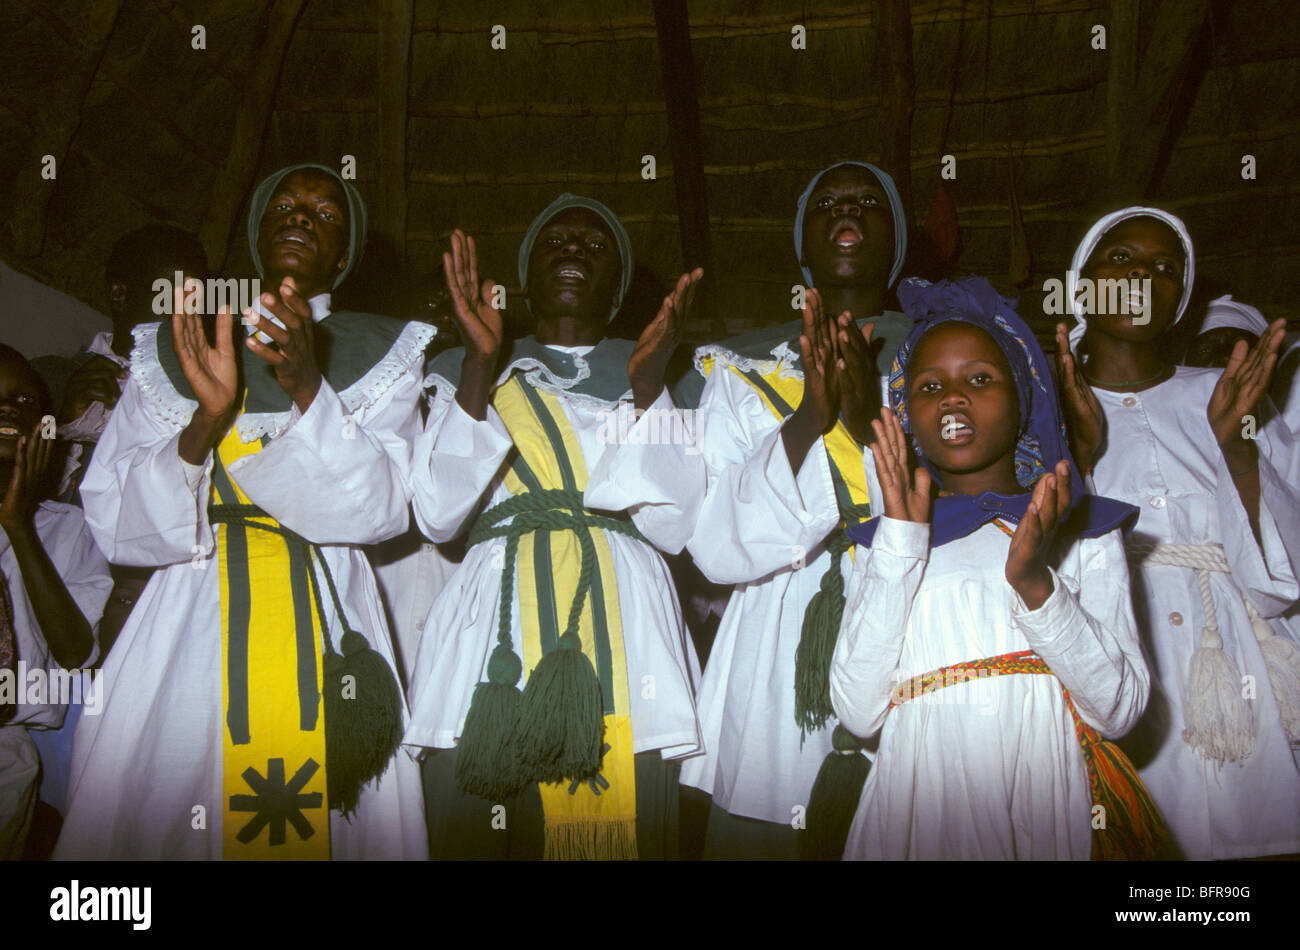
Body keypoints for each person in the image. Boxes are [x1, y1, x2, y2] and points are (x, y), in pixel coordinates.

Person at [55, 163, 432, 860]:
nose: (301, 215)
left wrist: (310, 389)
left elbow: (378, 511)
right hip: (188, 619)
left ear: (344, 256)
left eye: (325, 213)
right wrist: (207, 421)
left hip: (326, 614)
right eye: (285, 204)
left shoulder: (384, 353)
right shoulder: (174, 345)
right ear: (257, 230)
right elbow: (114, 523)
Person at [404, 194, 705, 859]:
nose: (574, 251)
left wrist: (651, 382)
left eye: (596, 248)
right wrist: (480, 362)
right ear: (523, 275)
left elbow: (678, 523)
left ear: (621, 288)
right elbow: (438, 513)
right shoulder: (461, 371)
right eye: (555, 242)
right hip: (495, 629)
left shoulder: (657, 371)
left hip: (624, 619)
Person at [831, 276, 1159, 860]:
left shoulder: (1083, 531)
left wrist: (1038, 586)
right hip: (920, 810)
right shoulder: (885, 545)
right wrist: (902, 539)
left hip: (1043, 799)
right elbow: (858, 711)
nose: (953, 397)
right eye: (929, 385)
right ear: (907, 410)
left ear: (1026, 396)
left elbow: (1118, 709)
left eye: (979, 379)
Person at [678, 161, 911, 859]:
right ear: (801, 245)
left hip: (909, 619)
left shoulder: (947, 356)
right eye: (828, 202)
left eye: (869, 201)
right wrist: (812, 416)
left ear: (898, 239)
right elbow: (717, 549)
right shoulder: (741, 368)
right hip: (774, 648)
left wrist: (866, 420)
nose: (849, 209)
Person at [1056, 206, 1300, 859]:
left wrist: (1238, 449)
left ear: (1181, 298)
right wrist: (1079, 459)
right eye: (1121, 258)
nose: (1143, 273)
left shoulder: (1225, 396)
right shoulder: (1039, 409)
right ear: (1083, 286)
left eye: (1165, 267)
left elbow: (1282, 586)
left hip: (1242, 677)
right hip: (1118, 672)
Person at [0, 345, 110, 859]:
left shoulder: (66, 530)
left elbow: (74, 651)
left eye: (24, 399)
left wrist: (20, 526)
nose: (8, 407)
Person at [54, 226, 209, 505]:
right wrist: (62, 432)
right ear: (119, 294)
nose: (188, 315)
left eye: (197, 301)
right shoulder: (45, 380)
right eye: (171, 298)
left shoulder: (206, 397)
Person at [1185, 294, 1300, 434]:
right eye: (1205, 350)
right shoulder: (1168, 422)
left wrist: (1240, 432)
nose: (1225, 357)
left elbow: (1248, 437)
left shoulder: (1284, 428)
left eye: (1238, 346)